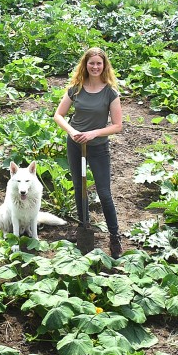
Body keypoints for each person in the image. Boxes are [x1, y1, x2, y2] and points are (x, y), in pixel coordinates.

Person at [53, 46, 124, 257]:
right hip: (75, 145)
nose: (95, 67)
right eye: (91, 63)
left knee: (104, 193)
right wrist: (73, 132)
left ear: (104, 66)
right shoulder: (76, 88)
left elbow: (117, 125)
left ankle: (114, 236)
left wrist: (94, 133)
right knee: (80, 186)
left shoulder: (110, 93)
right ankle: (83, 226)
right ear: (85, 65)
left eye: (99, 64)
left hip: (98, 147)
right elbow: (59, 115)